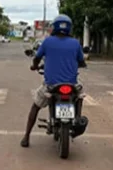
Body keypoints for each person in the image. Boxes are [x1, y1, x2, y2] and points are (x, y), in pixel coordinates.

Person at [20, 14, 87, 148]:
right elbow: (81, 62)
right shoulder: (75, 43)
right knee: (79, 96)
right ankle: (78, 117)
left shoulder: (47, 42)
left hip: (51, 85)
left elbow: (37, 58)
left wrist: (34, 66)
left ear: (54, 27)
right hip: (72, 84)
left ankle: (26, 137)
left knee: (36, 106)